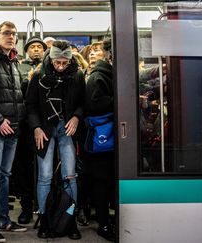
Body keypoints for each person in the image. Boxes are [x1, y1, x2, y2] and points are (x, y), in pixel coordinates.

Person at [25, 40, 84, 240]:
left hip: (66, 127)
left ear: (70, 60)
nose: (60, 67)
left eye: (64, 63)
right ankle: (44, 219)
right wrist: (36, 128)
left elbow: (83, 103)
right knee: (45, 176)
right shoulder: (39, 76)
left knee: (70, 175)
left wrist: (76, 116)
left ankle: (70, 219)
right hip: (45, 128)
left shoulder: (77, 75)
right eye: (57, 62)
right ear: (50, 59)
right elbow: (31, 105)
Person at [0, 21, 27, 242]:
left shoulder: (12, 61)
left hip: (13, 129)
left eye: (14, 34)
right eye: (6, 33)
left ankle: (3, 219)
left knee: (5, 176)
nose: (11, 37)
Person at [12, 35, 47, 224]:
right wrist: (30, 80)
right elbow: (17, 93)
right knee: (23, 167)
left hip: (46, 124)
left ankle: (46, 206)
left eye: (39, 47)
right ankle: (26, 206)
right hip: (25, 125)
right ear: (26, 50)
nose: (36, 50)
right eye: (32, 47)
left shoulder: (49, 66)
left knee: (45, 167)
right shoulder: (19, 67)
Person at [83, 40, 116, 242]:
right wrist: (122, 99)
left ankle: (106, 219)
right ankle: (103, 223)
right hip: (102, 136)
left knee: (106, 180)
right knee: (101, 182)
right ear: (111, 56)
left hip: (108, 136)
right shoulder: (98, 77)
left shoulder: (108, 74)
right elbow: (94, 104)